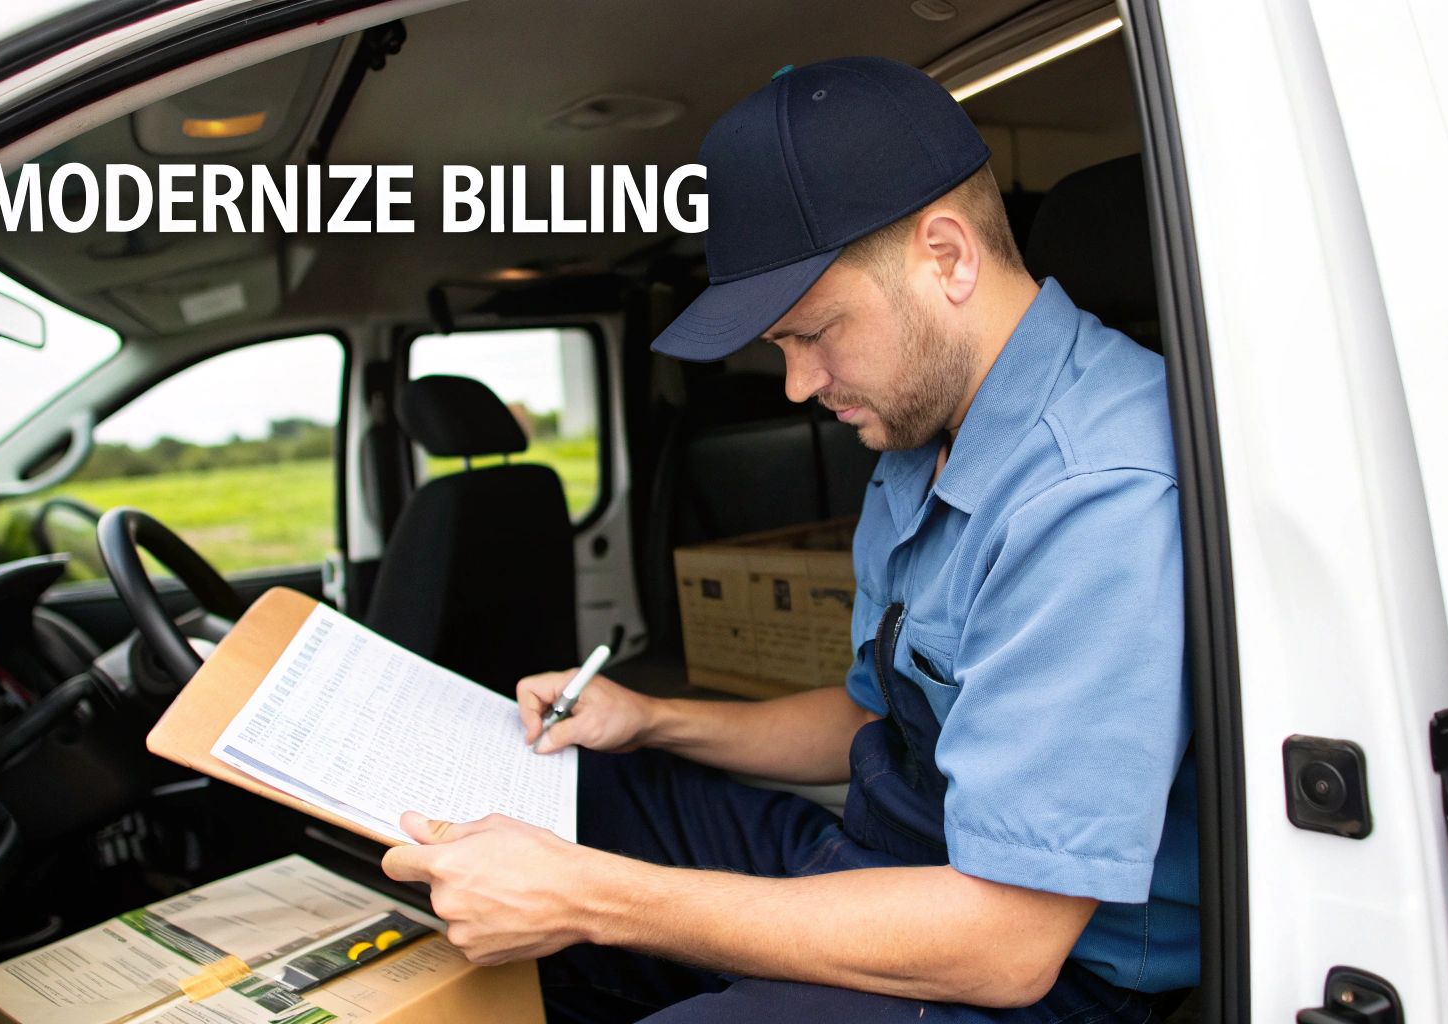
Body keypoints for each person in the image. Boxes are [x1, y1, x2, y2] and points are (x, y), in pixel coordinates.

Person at [383, 56, 1198, 1023]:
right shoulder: (924, 437)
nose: (797, 387)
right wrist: (650, 717)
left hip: (1041, 976)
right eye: (781, 346)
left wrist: (589, 898)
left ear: (947, 257)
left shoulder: (1095, 492)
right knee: (569, 794)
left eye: (814, 332)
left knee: (586, 886)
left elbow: (1005, 946)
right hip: (890, 862)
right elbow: (879, 722)